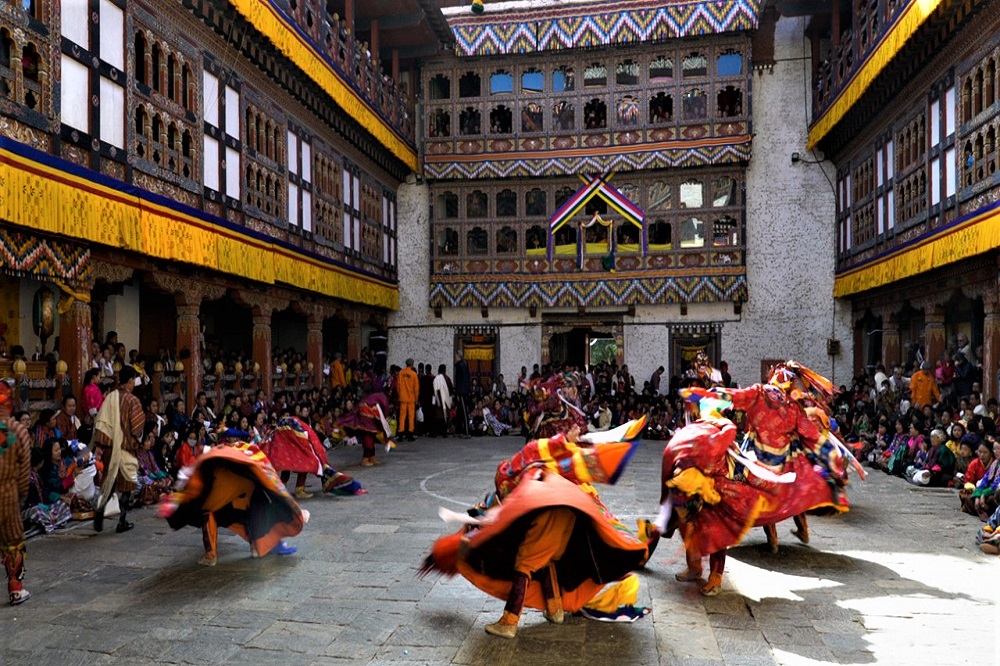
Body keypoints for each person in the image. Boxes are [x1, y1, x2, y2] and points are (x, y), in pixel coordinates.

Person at [421, 419, 652, 638]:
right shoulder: (548, 468)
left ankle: (509, 622)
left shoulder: (510, 470)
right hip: (566, 514)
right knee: (546, 559)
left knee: (525, 563)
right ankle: (555, 610)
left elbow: (534, 455)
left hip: (549, 512)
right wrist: (564, 440)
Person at [159, 439, 305, 566]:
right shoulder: (218, 459)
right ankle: (256, 547)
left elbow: (194, 495)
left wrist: (174, 501)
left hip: (226, 496)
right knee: (247, 516)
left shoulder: (201, 471)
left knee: (208, 513)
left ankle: (211, 556)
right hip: (247, 490)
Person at [91, 366, 145, 534]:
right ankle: (122, 521)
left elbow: (101, 422)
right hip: (126, 448)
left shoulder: (109, 397)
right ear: (130, 381)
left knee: (110, 482)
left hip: (110, 448)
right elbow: (137, 428)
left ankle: (100, 511)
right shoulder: (132, 400)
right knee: (128, 485)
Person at [0, 382, 32, 605]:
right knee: (13, 540)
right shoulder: (18, 431)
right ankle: (15, 588)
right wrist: (22, 495)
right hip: (8, 493)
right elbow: (24, 469)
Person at [337, 392, 393, 467]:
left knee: (372, 434)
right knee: (368, 435)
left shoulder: (377, 397)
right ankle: (365, 458)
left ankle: (372, 456)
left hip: (367, 412)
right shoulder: (383, 398)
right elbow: (386, 409)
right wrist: (386, 416)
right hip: (366, 412)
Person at [397, 359, 419, 442]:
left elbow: (398, 386)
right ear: (412, 365)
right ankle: (410, 434)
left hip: (402, 398)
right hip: (411, 398)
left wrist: (399, 395)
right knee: (411, 417)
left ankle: (401, 434)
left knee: (402, 417)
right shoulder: (414, 374)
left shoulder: (400, 373)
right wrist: (416, 398)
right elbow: (416, 388)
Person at [433, 364, 453, 438]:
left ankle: (436, 432)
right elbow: (451, 389)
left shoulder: (437, 378)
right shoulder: (447, 378)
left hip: (438, 399)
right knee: (445, 415)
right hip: (445, 399)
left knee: (437, 415)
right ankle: (444, 432)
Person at [454, 351, 471, 437]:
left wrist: (457, 392)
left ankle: (467, 431)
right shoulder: (464, 365)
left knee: (464, 411)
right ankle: (459, 430)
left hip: (462, 391)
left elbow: (459, 380)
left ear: (458, 356)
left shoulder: (460, 366)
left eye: (456, 356)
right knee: (460, 411)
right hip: (464, 390)